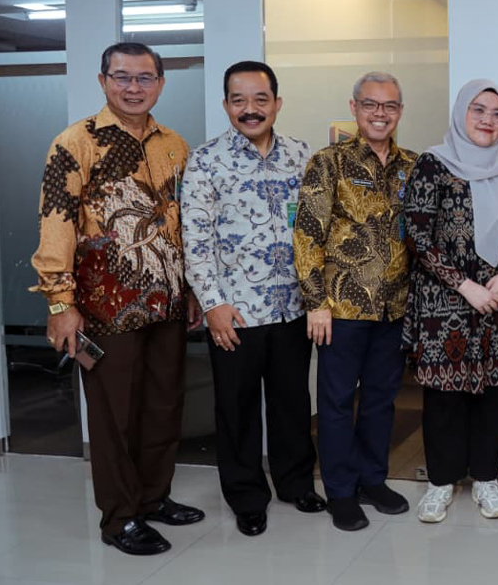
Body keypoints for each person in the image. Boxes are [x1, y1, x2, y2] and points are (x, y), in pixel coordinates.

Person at [31, 42, 204, 555]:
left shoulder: (174, 144)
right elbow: (56, 226)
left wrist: (191, 289)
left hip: (167, 305)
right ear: (103, 81)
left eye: (145, 78)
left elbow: (182, 223)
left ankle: (153, 497)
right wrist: (60, 304)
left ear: (161, 84)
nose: (133, 87)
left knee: (164, 407)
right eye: (122, 77)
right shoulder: (75, 142)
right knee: (114, 418)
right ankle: (120, 518)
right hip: (105, 309)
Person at [181, 61, 325, 538]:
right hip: (235, 311)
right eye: (239, 100)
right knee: (237, 408)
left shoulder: (301, 155)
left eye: (260, 99)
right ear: (226, 105)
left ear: (277, 104)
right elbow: (195, 238)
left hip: (292, 308)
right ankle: (246, 496)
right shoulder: (205, 160)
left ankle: (295, 482)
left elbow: (316, 229)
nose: (250, 109)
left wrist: (317, 296)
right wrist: (212, 303)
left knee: (292, 402)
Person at [293, 71, 417, 531]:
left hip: (394, 307)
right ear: (354, 108)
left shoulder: (412, 165)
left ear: (400, 111)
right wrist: (316, 302)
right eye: (371, 104)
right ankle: (341, 491)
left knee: (382, 401)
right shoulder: (329, 162)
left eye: (389, 105)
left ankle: (373, 480)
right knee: (337, 402)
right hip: (341, 309)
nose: (380, 114)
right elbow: (308, 234)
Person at [404, 80, 498, 523]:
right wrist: (464, 285)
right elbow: (418, 234)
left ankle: (487, 479)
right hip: (444, 301)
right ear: (461, 113)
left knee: (495, 395)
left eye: (497, 113)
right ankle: (441, 482)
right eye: (478, 110)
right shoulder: (433, 164)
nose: (488, 120)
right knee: (445, 398)